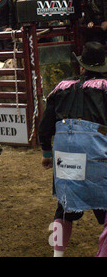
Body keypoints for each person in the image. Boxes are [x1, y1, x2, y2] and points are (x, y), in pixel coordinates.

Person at [38, 41, 107, 257]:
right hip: (96, 152)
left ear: (81, 66)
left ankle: (58, 255)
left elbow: (44, 127)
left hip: (66, 153)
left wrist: (47, 155)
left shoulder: (61, 88)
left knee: (64, 208)